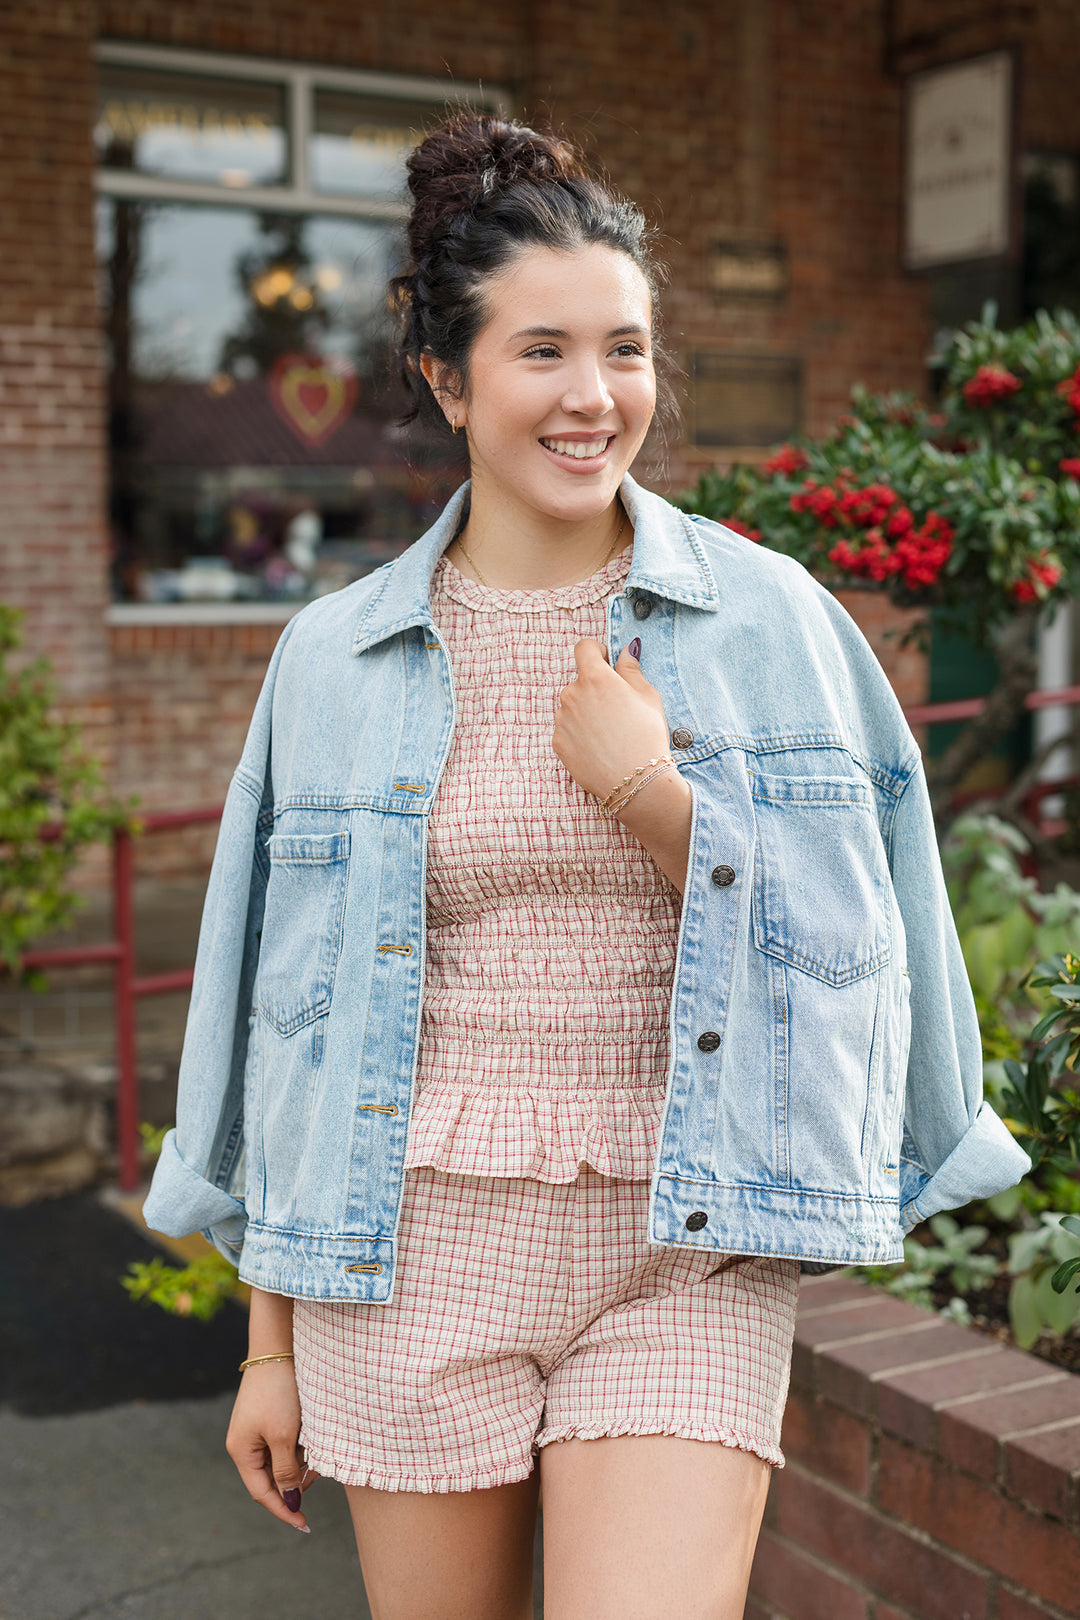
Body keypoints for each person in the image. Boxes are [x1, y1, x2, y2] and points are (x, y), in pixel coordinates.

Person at [143, 113, 1030, 1620]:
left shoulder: (773, 623)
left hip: (678, 1256)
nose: (593, 396)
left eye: (624, 350)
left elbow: (866, 941)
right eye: (542, 351)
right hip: (406, 1257)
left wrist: (657, 801)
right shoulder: (333, 663)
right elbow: (278, 1022)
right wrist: (269, 1352)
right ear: (446, 376)